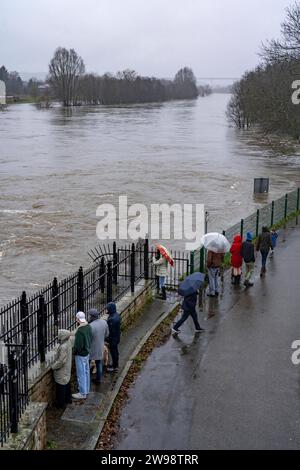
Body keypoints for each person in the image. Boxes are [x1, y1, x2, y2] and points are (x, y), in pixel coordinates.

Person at [72, 311, 93, 400]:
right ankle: (86, 389)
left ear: (77, 319)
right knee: (86, 372)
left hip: (80, 354)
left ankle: (82, 393)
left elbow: (78, 346)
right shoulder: (89, 327)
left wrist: (74, 351)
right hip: (87, 352)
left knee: (81, 374)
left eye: (76, 319)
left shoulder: (80, 331)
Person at [52, 329, 73, 408]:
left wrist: (53, 367)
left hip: (62, 370)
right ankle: (68, 399)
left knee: (61, 386)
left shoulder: (63, 347)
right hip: (67, 368)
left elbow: (61, 361)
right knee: (67, 383)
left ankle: (61, 403)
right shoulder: (68, 342)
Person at [88, 308, 109, 385]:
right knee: (99, 363)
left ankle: (87, 382)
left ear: (92, 317)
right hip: (100, 346)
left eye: (90, 316)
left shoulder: (90, 326)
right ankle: (99, 379)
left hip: (91, 349)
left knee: (87, 365)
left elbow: (88, 339)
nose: (89, 317)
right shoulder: (104, 322)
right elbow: (107, 334)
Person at [106, 302, 121, 372]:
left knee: (114, 352)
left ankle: (115, 367)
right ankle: (115, 365)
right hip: (116, 337)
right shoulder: (116, 315)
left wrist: (108, 339)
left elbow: (110, 331)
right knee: (115, 352)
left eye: (108, 309)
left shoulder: (112, 319)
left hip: (113, 339)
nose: (107, 310)